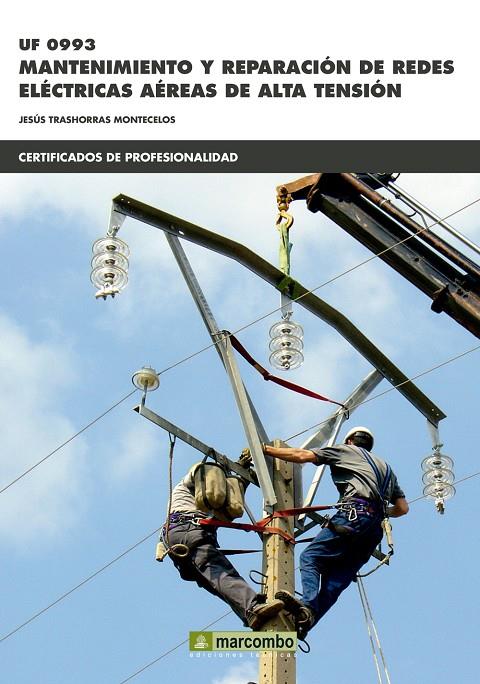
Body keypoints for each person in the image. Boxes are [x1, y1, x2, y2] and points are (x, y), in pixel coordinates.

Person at [262, 426, 409, 638]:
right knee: (335, 581)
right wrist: (378, 512)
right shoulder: (387, 469)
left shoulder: (344, 450)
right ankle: (306, 622)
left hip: (353, 516)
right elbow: (402, 508)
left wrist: (265, 450)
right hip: (373, 532)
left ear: (350, 441)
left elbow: (302, 455)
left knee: (311, 558)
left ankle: (307, 606)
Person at [163, 454, 284, 629]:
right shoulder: (190, 482)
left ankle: (250, 615)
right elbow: (205, 474)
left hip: (180, 541)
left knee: (218, 583)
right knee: (222, 573)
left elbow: (228, 502)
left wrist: (242, 476)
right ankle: (253, 607)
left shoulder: (198, 501)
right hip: (187, 531)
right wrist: (222, 469)